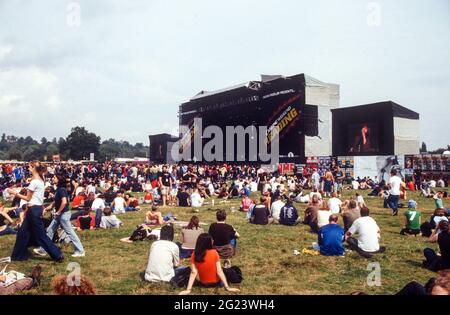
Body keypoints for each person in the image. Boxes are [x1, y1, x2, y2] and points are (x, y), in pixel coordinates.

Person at [9, 161, 64, 262]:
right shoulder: (39, 180)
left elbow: (27, 198)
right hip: (34, 210)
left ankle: (57, 255)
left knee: (40, 235)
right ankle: (18, 256)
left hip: (34, 211)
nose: (28, 169)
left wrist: (14, 193)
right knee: (22, 233)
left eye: (30, 167)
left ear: (34, 168)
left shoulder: (35, 181)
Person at [34, 174, 85, 258]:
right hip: (59, 215)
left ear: (59, 179)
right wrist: (46, 209)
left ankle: (80, 251)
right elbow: (55, 203)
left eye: (54, 177)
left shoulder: (61, 190)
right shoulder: (58, 189)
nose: (52, 179)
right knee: (50, 230)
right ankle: (43, 249)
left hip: (63, 215)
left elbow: (64, 202)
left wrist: (58, 212)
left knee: (70, 233)